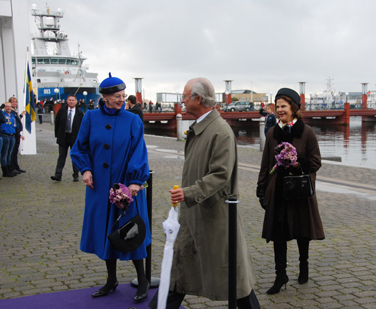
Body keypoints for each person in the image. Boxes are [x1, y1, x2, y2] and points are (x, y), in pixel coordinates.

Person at [149, 78, 260, 309]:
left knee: (233, 276)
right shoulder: (203, 128)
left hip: (213, 216)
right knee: (180, 270)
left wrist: (188, 193)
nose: (182, 101)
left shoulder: (220, 131)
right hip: (196, 212)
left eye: (185, 96)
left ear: (198, 99)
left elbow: (220, 175)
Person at [70, 73, 151, 302]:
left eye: (124, 96)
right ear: (104, 97)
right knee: (106, 231)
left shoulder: (133, 119)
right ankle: (111, 279)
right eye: (117, 96)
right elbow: (79, 147)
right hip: (100, 186)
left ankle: (142, 279)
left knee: (131, 230)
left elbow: (139, 151)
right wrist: (85, 169)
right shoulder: (90, 118)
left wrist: (136, 181)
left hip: (127, 186)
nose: (121, 100)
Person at [256, 88, 325, 295]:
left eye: (283, 106)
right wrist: (261, 189)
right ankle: (280, 275)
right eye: (277, 107)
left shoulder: (307, 132)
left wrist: (296, 163)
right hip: (277, 191)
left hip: (300, 191)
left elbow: (315, 163)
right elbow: (266, 163)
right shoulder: (272, 133)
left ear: (293, 108)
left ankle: (303, 266)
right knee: (279, 234)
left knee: (302, 231)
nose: (279, 110)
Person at [51, 95, 83, 182]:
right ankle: (58, 175)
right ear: (67, 101)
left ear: (76, 102)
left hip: (75, 138)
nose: (71, 102)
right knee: (61, 156)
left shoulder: (80, 113)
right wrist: (57, 135)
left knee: (75, 157)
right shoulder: (62, 111)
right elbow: (56, 123)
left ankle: (75, 175)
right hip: (63, 137)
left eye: (73, 100)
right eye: (70, 100)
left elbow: (82, 127)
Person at [9, 97, 26, 174]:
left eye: (15, 102)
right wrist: (18, 135)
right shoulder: (11, 113)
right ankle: (12, 167)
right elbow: (14, 124)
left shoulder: (14, 112)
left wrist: (21, 115)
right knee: (13, 151)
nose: (14, 103)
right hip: (15, 133)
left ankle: (16, 166)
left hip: (17, 133)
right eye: (12, 102)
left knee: (15, 151)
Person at [1, 102, 17, 177]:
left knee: (10, 154)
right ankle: (5, 171)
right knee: (5, 154)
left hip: (12, 135)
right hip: (5, 135)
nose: (9, 108)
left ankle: (9, 169)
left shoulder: (12, 115)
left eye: (10, 107)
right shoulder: (2, 114)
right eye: (7, 107)